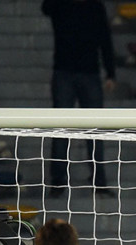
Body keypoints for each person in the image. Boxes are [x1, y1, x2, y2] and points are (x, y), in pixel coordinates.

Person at [42, 0, 116, 195]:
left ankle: (99, 181)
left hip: (89, 72)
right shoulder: (61, 5)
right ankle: (58, 181)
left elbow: (104, 37)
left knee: (95, 131)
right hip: (64, 72)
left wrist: (110, 72)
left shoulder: (95, 6)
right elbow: (46, 8)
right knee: (60, 130)